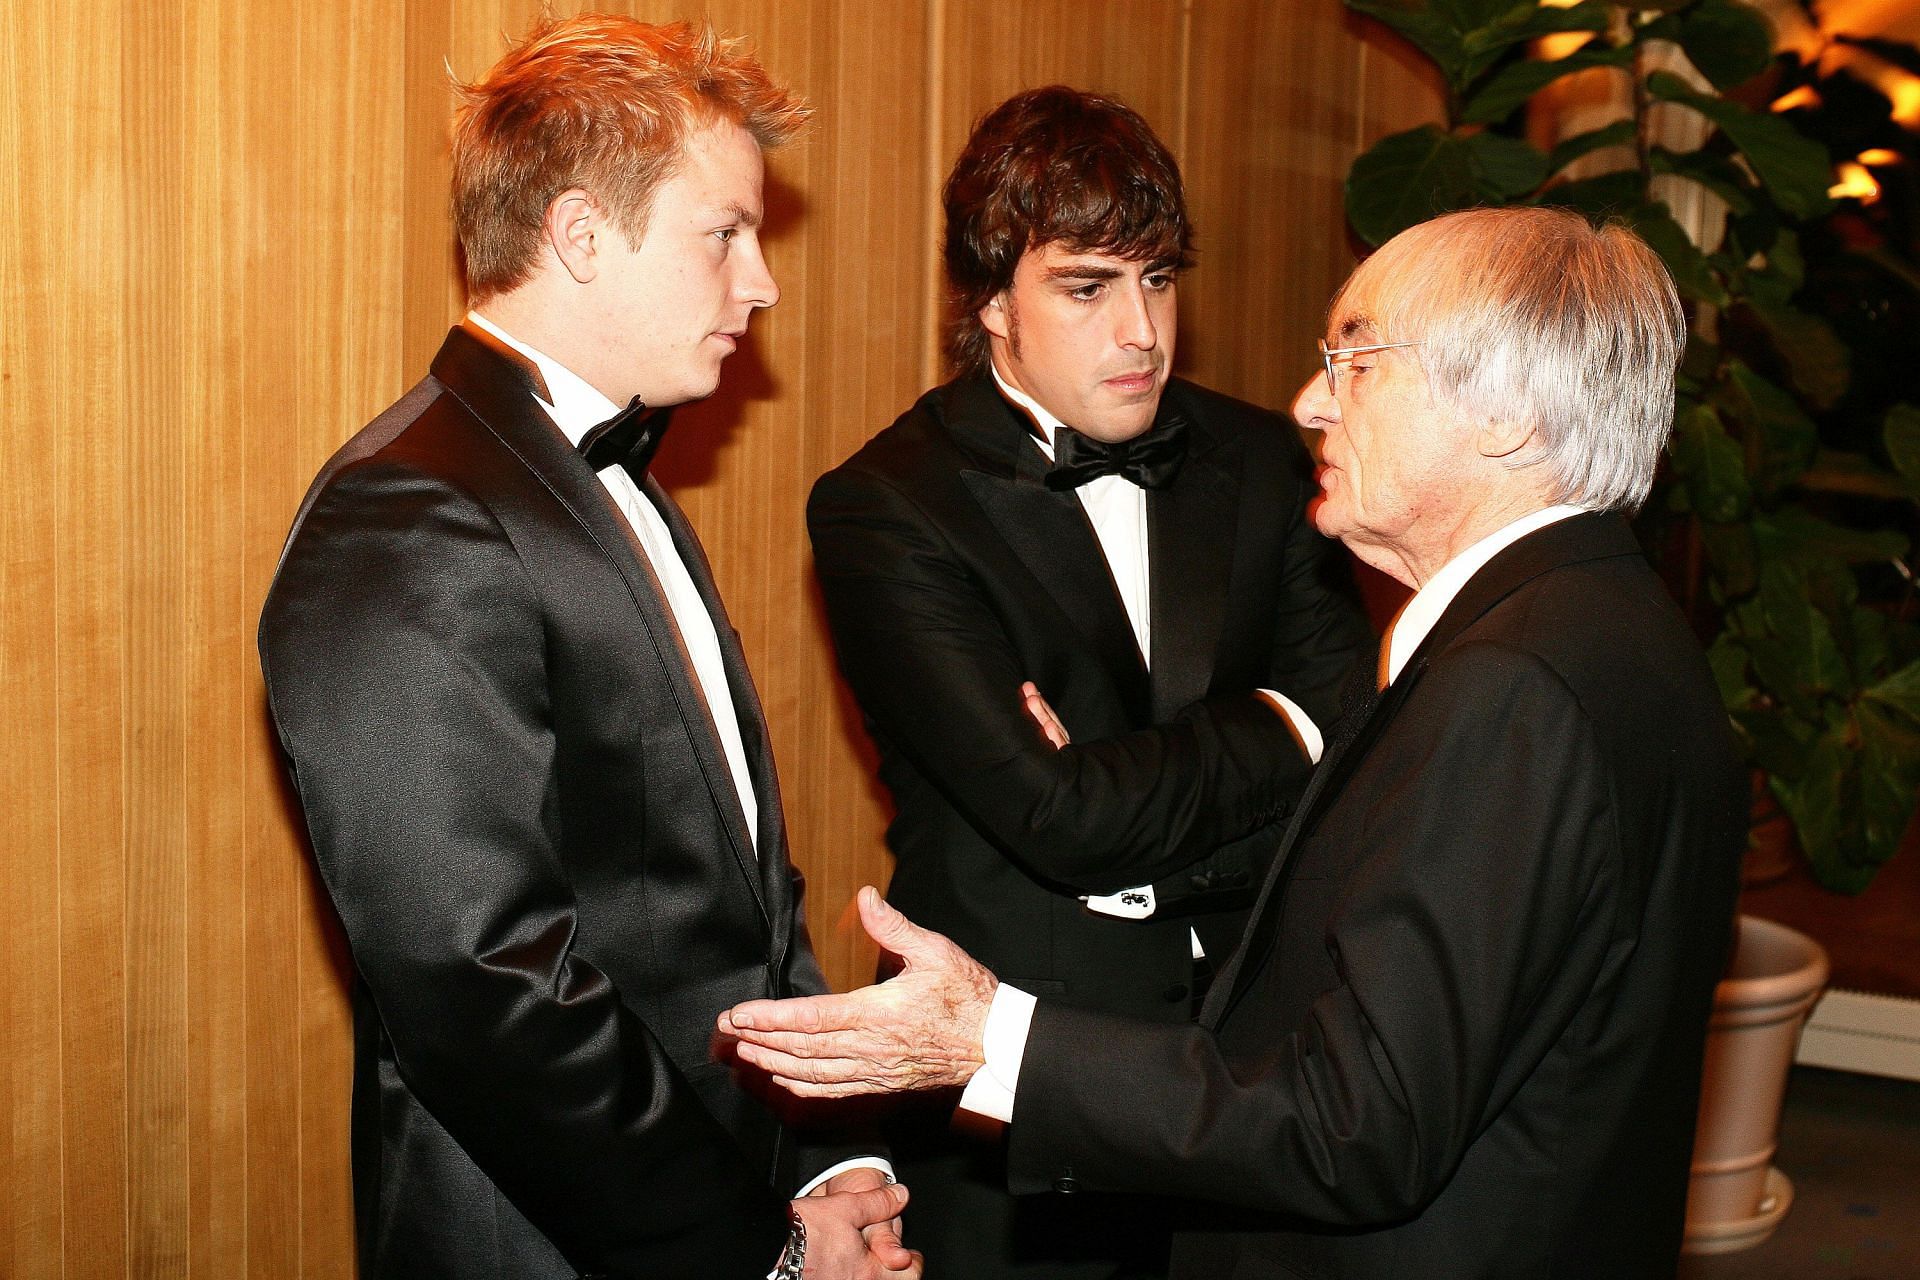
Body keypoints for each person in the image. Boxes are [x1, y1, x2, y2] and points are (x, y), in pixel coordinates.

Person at [723, 206, 1748, 1279]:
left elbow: (1356, 1125)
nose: (1310, 403)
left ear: (1501, 414)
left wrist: (994, 1038)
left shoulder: (1510, 691)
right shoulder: (1614, 625)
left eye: (1352, 363)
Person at [259, 16, 917, 1279]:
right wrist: (759, 1250)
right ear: (576, 234)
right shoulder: (408, 513)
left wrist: (828, 1154)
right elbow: (485, 987)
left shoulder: (604, 476)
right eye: (725, 231)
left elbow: (729, 894)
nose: (763, 280)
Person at [804, 86, 1371, 1278]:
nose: (1142, 333)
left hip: (1256, 1049)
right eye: (1086, 286)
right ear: (992, 299)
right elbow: (1059, 821)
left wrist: (1133, 776)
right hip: (1014, 1066)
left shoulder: (1264, 457)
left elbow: (1351, 728)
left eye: (1157, 280)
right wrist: (1279, 725)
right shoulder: (888, 508)